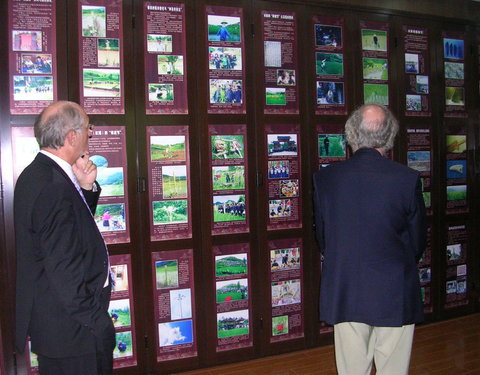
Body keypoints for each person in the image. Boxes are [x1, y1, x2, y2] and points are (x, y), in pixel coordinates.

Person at [313, 103, 427, 375]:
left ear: (350, 134)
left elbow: (323, 237)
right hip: (394, 288)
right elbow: (417, 240)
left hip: (345, 286)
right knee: (393, 368)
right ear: (390, 136)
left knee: (352, 369)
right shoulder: (407, 179)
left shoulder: (326, 179)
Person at [15, 101, 115, 375]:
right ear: (71, 136)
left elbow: (69, 232)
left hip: (60, 324)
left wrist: (85, 189)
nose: (90, 134)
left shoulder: (40, 174)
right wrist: (95, 321)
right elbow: (63, 267)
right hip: (72, 329)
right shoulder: (52, 185)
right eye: (87, 128)